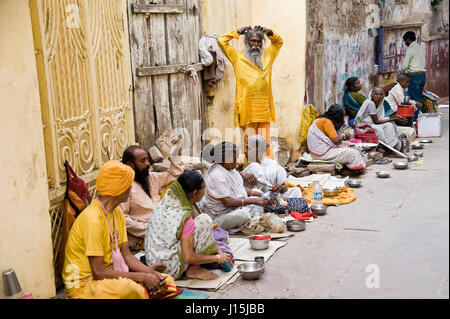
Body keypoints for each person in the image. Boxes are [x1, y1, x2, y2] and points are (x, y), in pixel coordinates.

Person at [62, 160, 177, 299]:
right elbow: (98, 272)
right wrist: (142, 277)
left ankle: (146, 293)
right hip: (83, 285)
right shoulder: (92, 219)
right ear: (118, 189)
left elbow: (127, 255)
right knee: (130, 289)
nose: (130, 190)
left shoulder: (117, 213)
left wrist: (150, 274)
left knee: (166, 280)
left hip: (109, 277)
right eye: (128, 186)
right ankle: (145, 293)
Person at [145, 171, 233, 281]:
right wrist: (218, 258)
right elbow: (188, 257)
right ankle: (194, 269)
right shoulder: (184, 214)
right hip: (170, 269)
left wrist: (219, 252)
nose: (205, 192)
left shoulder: (168, 201)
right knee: (204, 220)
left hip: (153, 263)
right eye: (204, 189)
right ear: (195, 193)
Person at [218, 25, 284, 158]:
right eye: (252, 41)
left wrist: (269, 32)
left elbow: (279, 41)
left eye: (259, 41)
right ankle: (251, 168)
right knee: (249, 143)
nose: (255, 45)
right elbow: (221, 41)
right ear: (247, 42)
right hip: (246, 108)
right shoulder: (237, 56)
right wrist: (237, 32)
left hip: (263, 108)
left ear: (262, 43)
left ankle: (267, 167)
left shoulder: (268, 55)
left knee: (265, 142)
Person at [120, 138, 184, 251]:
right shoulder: (124, 188)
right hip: (144, 237)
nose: (148, 163)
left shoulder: (150, 177)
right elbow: (122, 218)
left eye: (147, 160)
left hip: (164, 228)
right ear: (130, 165)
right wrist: (149, 229)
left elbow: (174, 175)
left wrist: (175, 155)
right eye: (142, 161)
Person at [198, 142, 272, 233]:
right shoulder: (216, 174)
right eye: (234, 159)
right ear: (226, 159)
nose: (236, 162)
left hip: (233, 209)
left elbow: (239, 189)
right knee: (244, 214)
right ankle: (248, 220)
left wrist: (261, 195)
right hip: (218, 217)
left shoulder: (230, 170)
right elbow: (227, 202)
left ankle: (251, 217)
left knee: (257, 193)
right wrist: (253, 201)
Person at [307, 104, 366, 176]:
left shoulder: (323, 120)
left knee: (353, 147)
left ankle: (351, 168)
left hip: (318, 153)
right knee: (352, 153)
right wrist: (344, 135)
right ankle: (346, 171)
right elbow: (336, 140)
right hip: (321, 154)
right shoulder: (326, 122)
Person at [355, 87, 409, 151]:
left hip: (373, 123)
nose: (379, 96)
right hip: (364, 125)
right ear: (371, 95)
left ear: (384, 95)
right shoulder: (370, 103)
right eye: (376, 94)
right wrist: (393, 119)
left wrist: (396, 117)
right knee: (385, 127)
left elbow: (381, 118)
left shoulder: (380, 104)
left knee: (390, 125)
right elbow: (376, 121)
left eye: (381, 94)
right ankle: (387, 147)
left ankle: (391, 146)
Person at [385, 73, 421, 142]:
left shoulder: (400, 87)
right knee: (410, 108)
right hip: (391, 108)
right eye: (407, 82)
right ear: (401, 81)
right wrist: (415, 103)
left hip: (394, 107)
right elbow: (402, 101)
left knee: (412, 107)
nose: (408, 84)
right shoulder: (397, 88)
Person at [400, 31, 426, 121]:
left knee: (414, 100)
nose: (405, 43)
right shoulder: (421, 48)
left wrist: (400, 72)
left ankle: (415, 121)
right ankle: (420, 120)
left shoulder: (410, 49)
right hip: (423, 76)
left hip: (414, 76)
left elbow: (404, 66)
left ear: (408, 39)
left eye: (405, 41)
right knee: (419, 98)